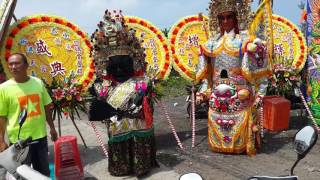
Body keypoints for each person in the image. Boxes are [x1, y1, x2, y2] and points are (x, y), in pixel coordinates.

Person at [195, 0, 270, 155]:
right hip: (218, 95)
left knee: (239, 116)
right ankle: (221, 145)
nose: (225, 21)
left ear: (235, 18)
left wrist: (256, 49)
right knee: (220, 119)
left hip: (239, 92)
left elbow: (259, 66)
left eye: (229, 17)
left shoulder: (244, 41)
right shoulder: (210, 44)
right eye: (221, 18)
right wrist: (202, 91)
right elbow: (206, 73)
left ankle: (244, 144)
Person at [89, 10, 157, 176]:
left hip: (138, 124)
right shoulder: (102, 86)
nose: (119, 69)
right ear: (107, 64)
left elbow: (149, 109)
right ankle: (121, 167)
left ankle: (142, 166)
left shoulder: (142, 83)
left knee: (140, 136)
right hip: (118, 125)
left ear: (132, 63)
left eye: (123, 64)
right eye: (115, 65)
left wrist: (141, 106)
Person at [0, 53, 58, 176]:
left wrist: (52, 128)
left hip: (40, 137)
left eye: (17, 63)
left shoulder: (38, 83)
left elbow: (46, 106)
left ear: (26, 65)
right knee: (23, 174)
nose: (13, 67)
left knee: (43, 173)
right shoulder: (4, 88)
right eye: (11, 64)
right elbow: (2, 116)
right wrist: (1, 140)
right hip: (18, 141)